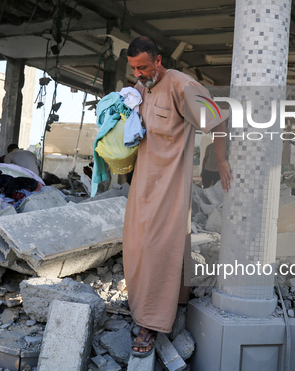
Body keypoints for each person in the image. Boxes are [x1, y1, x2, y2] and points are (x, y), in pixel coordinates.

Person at [123, 36, 232, 357]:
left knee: (155, 247)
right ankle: (178, 296)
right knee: (136, 244)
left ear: (158, 61)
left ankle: (151, 322)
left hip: (170, 187)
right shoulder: (141, 89)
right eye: (133, 68)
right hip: (142, 184)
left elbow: (219, 121)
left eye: (142, 66)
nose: (138, 73)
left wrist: (222, 161)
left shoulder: (183, 85)